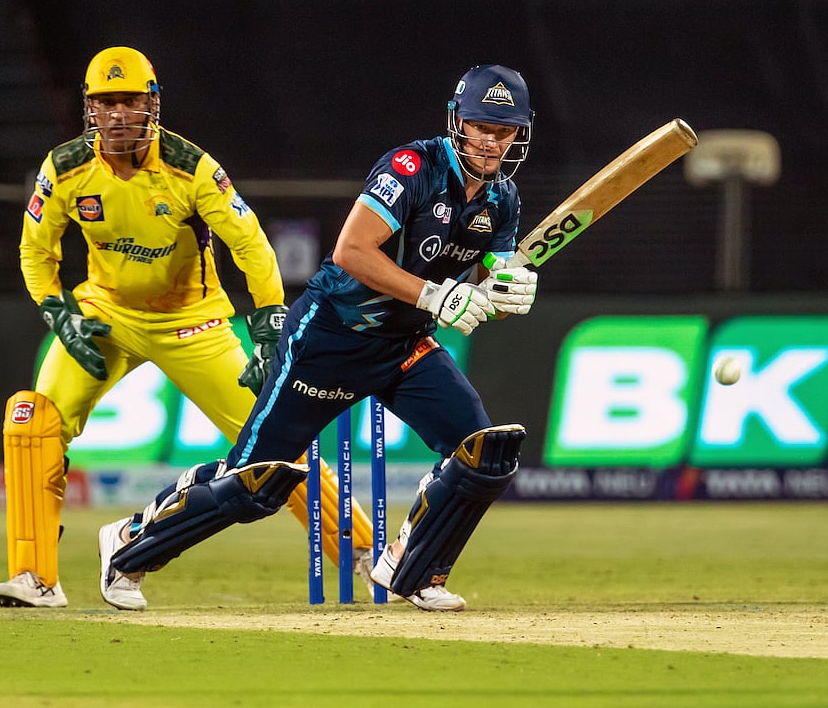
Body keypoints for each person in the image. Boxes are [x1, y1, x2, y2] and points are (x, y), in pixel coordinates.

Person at [97, 64, 539, 611]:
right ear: (457, 122)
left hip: (403, 347)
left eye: (504, 131)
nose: (492, 142)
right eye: (481, 126)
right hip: (329, 338)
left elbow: (483, 284)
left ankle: (413, 568)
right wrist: (433, 296)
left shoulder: (504, 200)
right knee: (255, 486)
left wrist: (504, 295)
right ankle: (129, 544)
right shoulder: (412, 167)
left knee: (483, 453)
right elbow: (351, 252)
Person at [0, 46, 377, 610]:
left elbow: (252, 246)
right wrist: (58, 314)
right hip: (104, 316)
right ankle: (33, 578)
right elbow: (35, 250)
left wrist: (268, 326)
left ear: (153, 104)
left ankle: (366, 556)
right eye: (106, 102)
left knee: (275, 436)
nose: (118, 114)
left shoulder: (191, 168)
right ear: (89, 109)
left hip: (190, 322)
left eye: (131, 101)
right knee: (31, 420)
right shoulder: (66, 168)